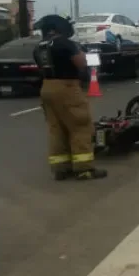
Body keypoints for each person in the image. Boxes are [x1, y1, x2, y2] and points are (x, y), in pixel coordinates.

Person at [33, 14, 107, 181]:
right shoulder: (65, 44)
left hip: (47, 87)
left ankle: (61, 169)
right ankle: (84, 169)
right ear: (60, 28)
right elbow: (81, 63)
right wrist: (80, 52)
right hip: (67, 87)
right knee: (80, 126)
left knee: (56, 129)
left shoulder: (39, 47)